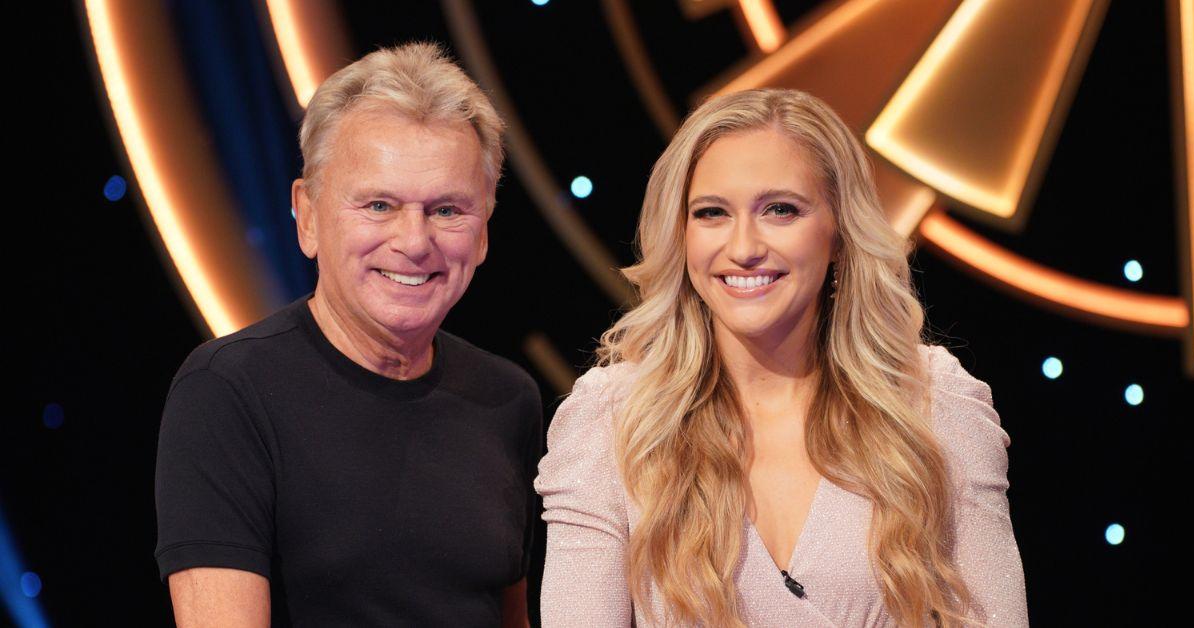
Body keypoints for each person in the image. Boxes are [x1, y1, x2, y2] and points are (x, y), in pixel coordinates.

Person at [535, 88, 1028, 627]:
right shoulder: (612, 420)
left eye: (780, 210)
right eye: (711, 213)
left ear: (838, 232)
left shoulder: (934, 404)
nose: (744, 246)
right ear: (680, 235)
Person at [154, 43, 541, 627]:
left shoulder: (509, 398)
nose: (414, 241)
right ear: (307, 215)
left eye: (446, 210)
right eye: (379, 205)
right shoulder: (227, 393)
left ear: (483, 232)